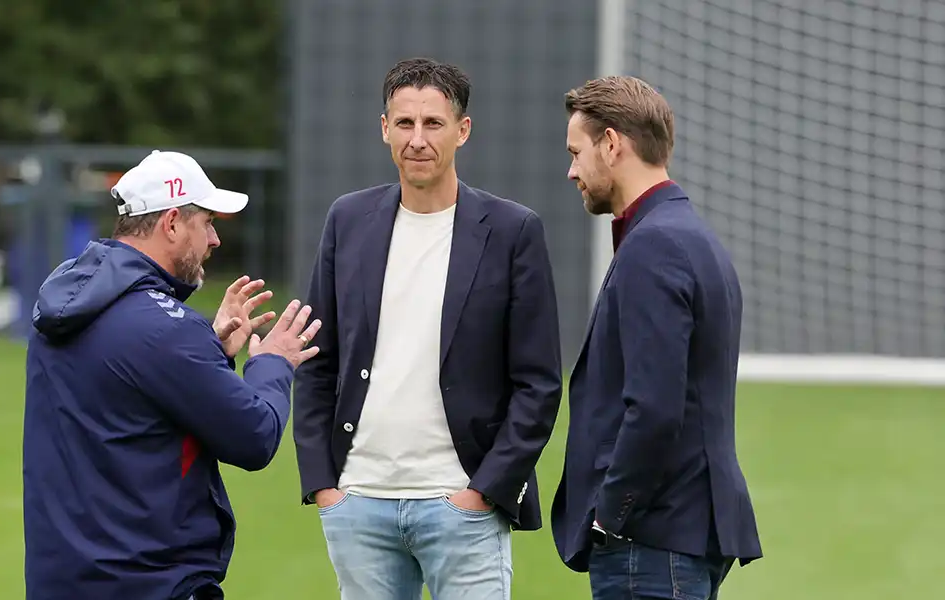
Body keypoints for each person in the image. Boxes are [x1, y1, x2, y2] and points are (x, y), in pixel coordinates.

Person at [292, 57, 564, 600]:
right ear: (384, 128)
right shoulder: (347, 220)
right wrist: (324, 484)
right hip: (359, 502)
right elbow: (317, 358)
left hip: (461, 503)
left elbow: (539, 382)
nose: (418, 140)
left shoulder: (513, 231)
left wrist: (486, 490)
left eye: (433, 124)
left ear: (462, 131)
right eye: (405, 123)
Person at [22, 150, 322, 600]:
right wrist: (273, 363)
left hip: (63, 582)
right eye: (208, 222)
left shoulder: (69, 298)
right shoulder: (166, 328)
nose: (215, 239)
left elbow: (135, 402)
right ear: (173, 222)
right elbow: (254, 436)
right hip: (151, 584)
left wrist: (211, 351)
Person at [549, 75, 763, 599]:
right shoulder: (694, 238)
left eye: (577, 152)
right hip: (679, 538)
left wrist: (609, 517)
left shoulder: (655, 245)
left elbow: (656, 407)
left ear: (613, 144)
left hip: (650, 544)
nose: (571, 169)